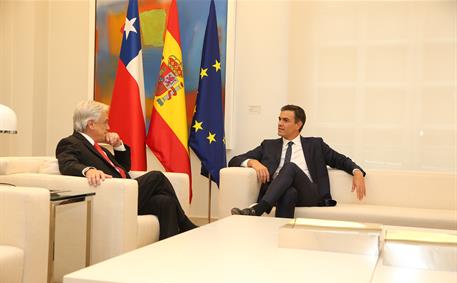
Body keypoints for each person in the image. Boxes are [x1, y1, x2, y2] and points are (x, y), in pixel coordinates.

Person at [56, 100, 197, 240]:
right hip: (114, 197)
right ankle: (184, 223)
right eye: (105, 122)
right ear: (91, 124)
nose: (108, 127)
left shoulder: (101, 148)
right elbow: (67, 164)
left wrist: (118, 145)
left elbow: (124, 169)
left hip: (128, 192)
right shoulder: (70, 142)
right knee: (157, 176)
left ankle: (168, 251)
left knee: (165, 202)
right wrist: (88, 170)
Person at [230, 104, 366, 218]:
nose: (280, 124)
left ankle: (259, 209)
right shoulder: (268, 145)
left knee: (290, 167)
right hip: (277, 193)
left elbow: (341, 160)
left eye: (285, 120)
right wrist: (253, 162)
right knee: (289, 192)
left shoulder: (315, 145)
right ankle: (279, 238)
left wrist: (357, 171)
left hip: (309, 194)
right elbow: (234, 160)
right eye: (279, 119)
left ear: (298, 124)